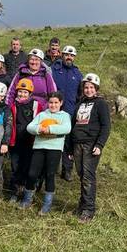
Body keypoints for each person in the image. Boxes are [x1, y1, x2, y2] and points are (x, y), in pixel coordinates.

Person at [65, 73, 111, 222]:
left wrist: (100, 144)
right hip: (77, 144)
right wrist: (70, 148)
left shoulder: (101, 104)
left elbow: (106, 126)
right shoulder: (79, 104)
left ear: (96, 89)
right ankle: (82, 205)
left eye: (91, 87)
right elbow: (73, 125)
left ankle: (88, 210)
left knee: (88, 177)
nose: (88, 90)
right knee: (81, 175)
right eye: (86, 87)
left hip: (91, 145)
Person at [22, 91, 72, 214]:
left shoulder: (65, 116)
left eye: (56, 102)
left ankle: (47, 204)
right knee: (32, 174)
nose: (53, 105)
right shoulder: (42, 115)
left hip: (54, 149)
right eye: (51, 102)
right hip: (39, 147)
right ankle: (27, 199)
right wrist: (39, 129)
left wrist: (49, 129)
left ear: (61, 103)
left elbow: (66, 128)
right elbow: (30, 127)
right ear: (47, 103)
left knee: (50, 175)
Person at [7, 78, 43, 204]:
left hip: (30, 142)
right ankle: (15, 191)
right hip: (16, 142)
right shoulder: (13, 106)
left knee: (27, 167)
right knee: (15, 167)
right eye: (20, 92)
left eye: (25, 92)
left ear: (30, 93)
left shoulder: (36, 105)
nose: (22, 94)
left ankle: (26, 192)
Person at [51, 45, 83, 181]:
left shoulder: (77, 73)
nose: (69, 57)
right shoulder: (53, 70)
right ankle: (51, 169)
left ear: (74, 57)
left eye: (72, 55)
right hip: (54, 111)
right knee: (52, 139)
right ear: (62, 55)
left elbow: (81, 94)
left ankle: (67, 170)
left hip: (70, 112)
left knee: (68, 142)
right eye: (66, 55)